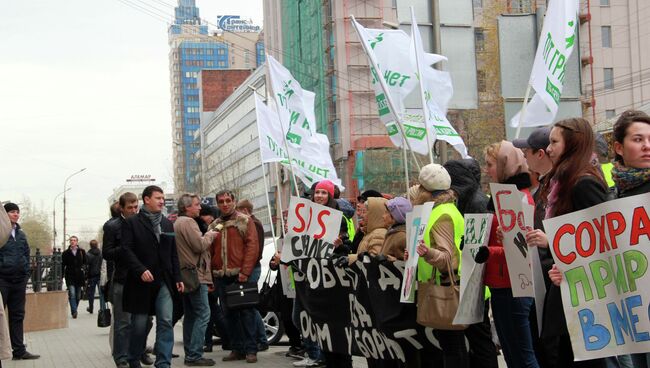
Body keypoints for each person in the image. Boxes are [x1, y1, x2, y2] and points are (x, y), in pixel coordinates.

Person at [527, 118, 608, 368]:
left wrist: (551, 244)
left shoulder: (583, 183)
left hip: (583, 296)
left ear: (573, 144)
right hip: (566, 286)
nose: (548, 149)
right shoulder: (561, 182)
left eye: (554, 142)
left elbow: (599, 240)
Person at [475, 140, 539, 368]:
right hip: (501, 283)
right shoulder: (502, 197)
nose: (487, 169)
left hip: (514, 285)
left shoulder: (519, 198)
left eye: (490, 164)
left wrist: (487, 251)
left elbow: (521, 248)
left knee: (523, 356)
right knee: (513, 355)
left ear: (505, 165)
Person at [410, 164, 468, 368]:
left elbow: (446, 258)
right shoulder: (448, 209)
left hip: (445, 286)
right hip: (450, 283)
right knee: (454, 346)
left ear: (425, 191)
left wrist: (427, 253)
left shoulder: (441, 214)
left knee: (453, 348)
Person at [443, 159, 498, 368]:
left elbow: (482, 242)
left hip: (477, 282)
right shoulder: (468, 199)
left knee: (480, 339)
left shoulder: (477, 202)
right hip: (470, 278)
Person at [121, 185, 183, 368]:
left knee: (165, 320)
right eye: (158, 198)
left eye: (163, 198)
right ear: (146, 199)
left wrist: (178, 277)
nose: (162, 201)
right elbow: (126, 250)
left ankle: (163, 362)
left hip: (163, 280)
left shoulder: (167, 223)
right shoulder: (131, 223)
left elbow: (173, 253)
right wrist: (140, 269)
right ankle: (133, 358)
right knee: (139, 325)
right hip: (140, 283)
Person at [513, 126, 556, 368]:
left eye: (527, 151)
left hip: (554, 280)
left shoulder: (560, 187)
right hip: (538, 279)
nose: (524, 157)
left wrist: (549, 243)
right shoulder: (542, 188)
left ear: (541, 154)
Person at [610, 110, 650, 368]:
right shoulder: (612, 196)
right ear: (619, 147)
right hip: (632, 310)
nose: (647, 146)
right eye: (638, 139)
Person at [210, 190, 259, 364]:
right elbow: (209, 252)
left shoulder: (244, 220)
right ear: (217, 204)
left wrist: (245, 272)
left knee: (247, 312)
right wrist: (210, 277)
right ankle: (237, 348)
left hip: (240, 274)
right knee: (228, 314)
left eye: (228, 200)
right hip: (220, 276)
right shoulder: (214, 224)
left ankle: (251, 350)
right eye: (221, 201)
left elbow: (252, 246)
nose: (225, 204)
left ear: (234, 201)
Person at [174, 194, 218, 366]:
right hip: (196, 275)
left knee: (191, 315)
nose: (200, 207)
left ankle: (190, 353)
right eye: (197, 204)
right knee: (203, 314)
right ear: (187, 207)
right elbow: (199, 245)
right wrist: (210, 235)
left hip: (187, 275)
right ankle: (194, 355)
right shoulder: (188, 222)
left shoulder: (178, 222)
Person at [0, 203, 39, 361]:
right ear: (5, 214)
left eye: (17, 212)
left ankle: (19, 350)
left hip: (18, 280)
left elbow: (26, 253)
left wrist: (25, 273)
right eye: (12, 212)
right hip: (2, 279)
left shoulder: (21, 234)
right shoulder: (2, 233)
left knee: (17, 315)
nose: (15, 214)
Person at [235, 199, 270, 352]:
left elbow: (254, 249)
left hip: (252, 268)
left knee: (249, 306)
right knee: (248, 305)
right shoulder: (253, 222)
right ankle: (260, 339)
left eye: (238, 210)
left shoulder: (253, 224)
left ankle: (262, 339)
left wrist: (246, 269)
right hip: (251, 268)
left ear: (245, 210)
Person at [62, 235, 86, 319]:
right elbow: (63, 265)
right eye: (71, 240)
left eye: (74, 240)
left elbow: (85, 263)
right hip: (70, 275)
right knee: (72, 294)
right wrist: (61, 276)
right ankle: (74, 311)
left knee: (78, 295)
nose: (73, 242)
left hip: (79, 276)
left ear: (77, 242)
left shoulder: (82, 252)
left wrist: (85, 275)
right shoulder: (65, 253)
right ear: (70, 242)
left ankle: (74, 308)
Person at [380, 197, 412, 261]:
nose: (383, 216)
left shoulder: (402, 237)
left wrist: (394, 262)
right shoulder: (393, 232)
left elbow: (406, 265)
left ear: (395, 216)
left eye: (386, 212)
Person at [85, 239, 103, 314]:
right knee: (101, 293)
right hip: (100, 275)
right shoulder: (101, 254)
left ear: (90, 245)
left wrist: (86, 276)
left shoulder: (88, 254)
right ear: (97, 245)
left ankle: (91, 308)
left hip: (91, 276)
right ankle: (102, 308)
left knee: (91, 293)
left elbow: (87, 266)